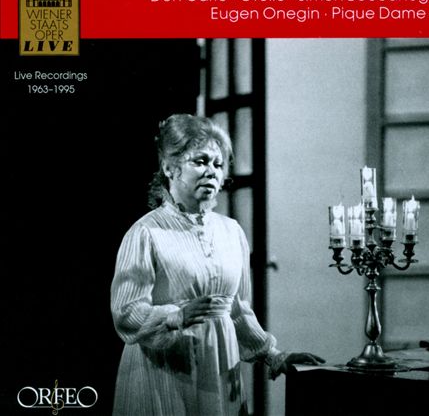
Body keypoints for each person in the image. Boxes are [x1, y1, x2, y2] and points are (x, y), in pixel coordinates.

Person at [110, 114, 325, 416]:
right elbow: (126, 313)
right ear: (169, 167)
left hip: (220, 367)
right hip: (166, 370)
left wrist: (275, 356)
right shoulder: (146, 232)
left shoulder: (231, 232)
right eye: (200, 161)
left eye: (218, 164)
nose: (212, 171)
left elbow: (236, 310)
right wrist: (175, 316)